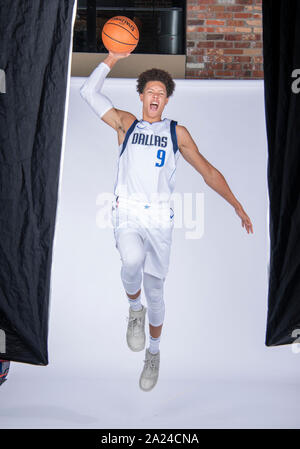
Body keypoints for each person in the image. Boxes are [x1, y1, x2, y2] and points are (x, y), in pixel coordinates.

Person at [80, 51, 254, 392]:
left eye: (161, 92)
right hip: (127, 211)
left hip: (160, 219)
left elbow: (207, 171)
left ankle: (154, 353)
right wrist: (112, 58)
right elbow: (88, 92)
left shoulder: (178, 133)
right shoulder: (126, 124)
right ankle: (134, 309)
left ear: (167, 99)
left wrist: (236, 203)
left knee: (156, 291)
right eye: (150, 91)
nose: (155, 96)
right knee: (131, 259)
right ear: (142, 96)